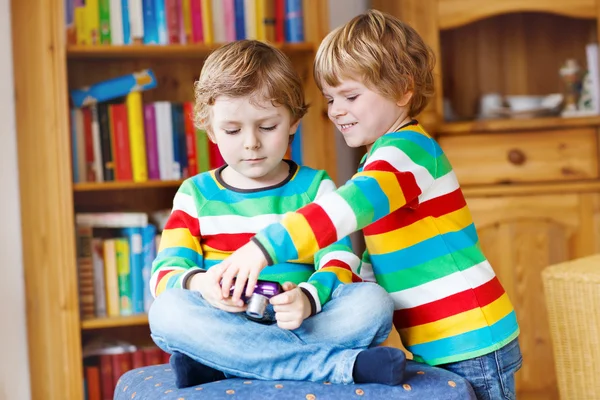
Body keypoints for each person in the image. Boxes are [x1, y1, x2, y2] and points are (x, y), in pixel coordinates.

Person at [216, 11, 523, 400]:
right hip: (446, 341)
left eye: (351, 96)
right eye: (330, 99)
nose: (336, 111)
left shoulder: (407, 153)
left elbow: (344, 208)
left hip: (473, 339)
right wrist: (320, 293)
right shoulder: (381, 159)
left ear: (402, 89)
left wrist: (264, 247)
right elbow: (377, 263)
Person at [148, 39, 407, 389]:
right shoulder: (195, 195)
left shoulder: (315, 187)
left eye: (267, 127)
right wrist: (204, 286)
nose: (251, 143)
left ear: (293, 123)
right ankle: (337, 367)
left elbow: (341, 261)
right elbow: (166, 272)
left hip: (302, 319)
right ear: (210, 129)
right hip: (227, 320)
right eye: (232, 130)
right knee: (166, 312)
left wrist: (307, 299)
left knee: (372, 303)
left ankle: (227, 363)